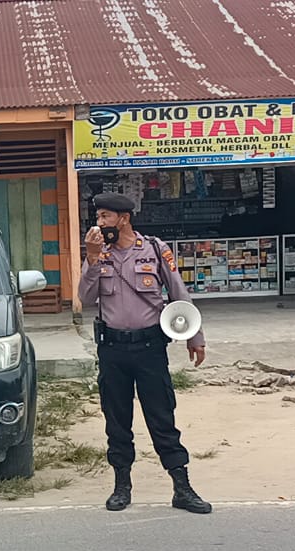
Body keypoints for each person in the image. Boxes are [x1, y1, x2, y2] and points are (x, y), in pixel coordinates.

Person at [78, 192, 211, 514]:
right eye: (98, 217)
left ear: (124, 219)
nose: (99, 223)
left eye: (105, 217)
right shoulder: (98, 253)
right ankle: (121, 487)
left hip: (150, 348)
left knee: (162, 418)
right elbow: (86, 298)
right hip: (112, 350)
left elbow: (179, 293)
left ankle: (182, 488)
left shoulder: (154, 248)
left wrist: (194, 336)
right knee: (116, 420)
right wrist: (92, 260)